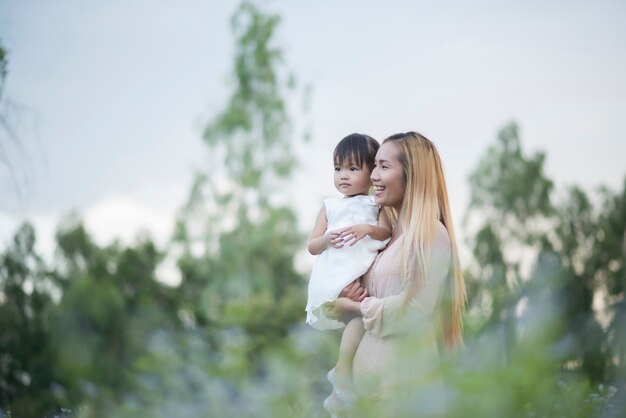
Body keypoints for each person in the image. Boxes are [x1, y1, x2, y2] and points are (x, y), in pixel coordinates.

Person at [326, 131, 466, 417]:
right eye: (374, 165)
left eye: (384, 166)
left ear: (412, 174)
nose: (373, 175)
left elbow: (415, 309)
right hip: (367, 396)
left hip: (401, 392)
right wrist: (341, 299)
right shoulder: (385, 238)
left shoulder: (431, 234)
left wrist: (356, 306)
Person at [305, 133, 392, 408]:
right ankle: (342, 374)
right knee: (357, 316)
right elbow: (312, 246)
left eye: (353, 168)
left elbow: (386, 231)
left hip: (357, 276)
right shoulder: (330, 206)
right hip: (334, 277)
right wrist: (327, 240)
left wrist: (367, 228)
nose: (343, 175)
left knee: (358, 321)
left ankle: (342, 385)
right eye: (338, 168)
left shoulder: (376, 205)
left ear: (372, 173)